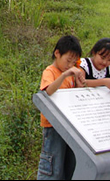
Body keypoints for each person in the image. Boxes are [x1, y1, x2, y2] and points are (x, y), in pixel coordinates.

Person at [37, 35, 85, 180]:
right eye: (67, 60)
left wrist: (79, 83)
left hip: (68, 125)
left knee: (67, 162)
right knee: (52, 164)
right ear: (57, 53)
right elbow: (48, 91)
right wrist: (65, 75)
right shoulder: (50, 71)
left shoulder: (71, 73)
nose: (70, 65)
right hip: (53, 126)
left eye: (73, 62)